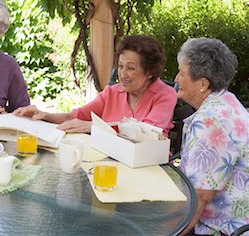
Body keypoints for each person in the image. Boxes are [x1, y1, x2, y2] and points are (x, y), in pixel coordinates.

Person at [14, 34, 177, 134]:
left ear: (149, 72)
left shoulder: (165, 95)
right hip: (109, 160)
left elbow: (145, 131)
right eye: (120, 66)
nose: (123, 74)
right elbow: (76, 117)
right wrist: (45, 115)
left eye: (131, 68)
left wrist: (94, 127)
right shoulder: (112, 92)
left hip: (150, 167)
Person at [175, 38, 248, 236]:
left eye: (181, 73)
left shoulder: (210, 123)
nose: (175, 79)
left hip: (223, 228)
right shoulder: (227, 100)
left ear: (202, 84)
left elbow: (197, 200)